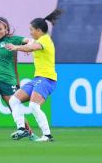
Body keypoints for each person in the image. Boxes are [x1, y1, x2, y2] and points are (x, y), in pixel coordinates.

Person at [6, 9, 62, 142]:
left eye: (31, 29)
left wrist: (16, 47)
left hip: (47, 79)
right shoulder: (38, 40)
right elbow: (28, 44)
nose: (30, 32)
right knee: (14, 100)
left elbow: (32, 47)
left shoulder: (46, 39)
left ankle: (47, 135)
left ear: (38, 30)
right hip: (37, 79)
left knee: (33, 106)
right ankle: (22, 129)